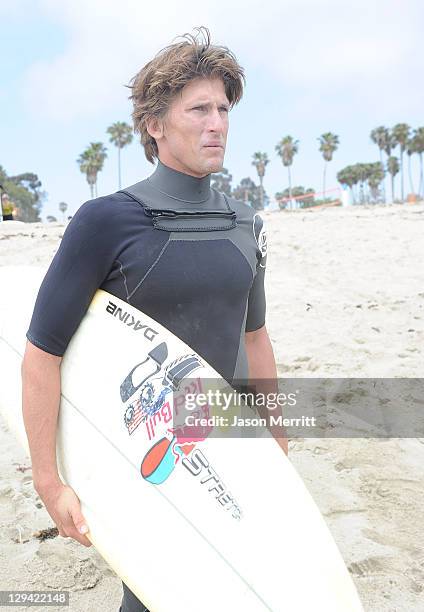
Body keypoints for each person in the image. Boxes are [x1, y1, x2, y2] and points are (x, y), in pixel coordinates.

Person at [21, 26, 287, 612]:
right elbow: (43, 353)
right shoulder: (107, 221)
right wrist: (48, 478)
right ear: (155, 123)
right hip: (143, 459)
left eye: (223, 108)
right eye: (199, 108)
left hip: (228, 447)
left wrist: (276, 436)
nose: (217, 122)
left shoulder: (247, 224)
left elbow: (255, 336)